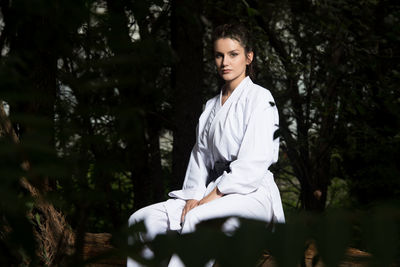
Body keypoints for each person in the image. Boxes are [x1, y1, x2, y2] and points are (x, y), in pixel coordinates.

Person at [127, 23, 285, 267]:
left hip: (250, 192)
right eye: (219, 55)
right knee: (142, 219)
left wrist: (211, 197)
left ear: (248, 57)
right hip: (211, 189)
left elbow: (253, 162)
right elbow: (200, 157)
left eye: (233, 54)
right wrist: (193, 195)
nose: (225, 62)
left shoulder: (260, 98)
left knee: (198, 219)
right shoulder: (211, 106)